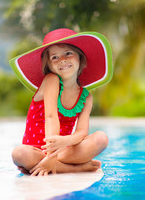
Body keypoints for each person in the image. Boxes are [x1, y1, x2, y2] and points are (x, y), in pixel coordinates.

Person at [10, 28, 113, 176]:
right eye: (54, 57)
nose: (62, 60)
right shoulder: (51, 80)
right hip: (37, 150)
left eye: (68, 53)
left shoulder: (86, 97)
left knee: (101, 139)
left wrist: (65, 142)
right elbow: (51, 117)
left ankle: (53, 165)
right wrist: (50, 155)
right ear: (49, 65)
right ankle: (76, 168)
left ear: (80, 57)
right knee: (19, 153)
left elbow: (82, 132)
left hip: (64, 150)